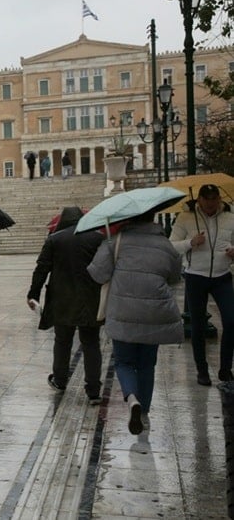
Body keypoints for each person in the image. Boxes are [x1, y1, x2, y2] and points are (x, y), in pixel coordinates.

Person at [87, 211, 183, 434]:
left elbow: (97, 274)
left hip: (123, 312)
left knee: (124, 362)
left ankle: (132, 400)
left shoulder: (117, 241)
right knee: (147, 364)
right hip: (155, 312)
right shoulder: (166, 245)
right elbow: (175, 277)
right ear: (153, 219)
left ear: (129, 219)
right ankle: (144, 411)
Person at [26, 207, 104, 403]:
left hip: (62, 298)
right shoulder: (97, 238)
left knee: (62, 341)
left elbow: (41, 268)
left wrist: (33, 294)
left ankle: (60, 380)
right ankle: (93, 389)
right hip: (90, 299)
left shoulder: (55, 239)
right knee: (91, 343)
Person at [169, 183, 234, 386]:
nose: (211, 203)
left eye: (215, 199)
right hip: (196, 276)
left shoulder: (230, 217)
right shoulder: (186, 218)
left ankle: (225, 368)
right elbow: (171, 246)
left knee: (231, 321)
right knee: (197, 325)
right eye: (207, 200)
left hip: (222, 275)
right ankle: (202, 369)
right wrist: (190, 243)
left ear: (219, 199)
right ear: (199, 200)